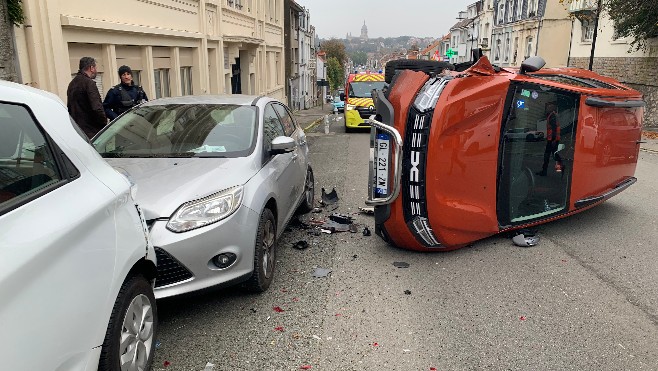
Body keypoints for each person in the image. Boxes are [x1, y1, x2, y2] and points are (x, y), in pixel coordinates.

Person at [67, 57, 107, 138]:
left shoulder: (72, 84)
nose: (96, 70)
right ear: (91, 68)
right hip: (92, 132)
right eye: (95, 67)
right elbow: (97, 108)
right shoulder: (89, 84)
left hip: (77, 131)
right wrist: (104, 123)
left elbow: (70, 108)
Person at [537, 101, 563, 176]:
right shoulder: (553, 115)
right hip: (553, 139)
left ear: (552, 108)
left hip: (552, 139)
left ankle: (545, 171)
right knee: (554, 154)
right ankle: (559, 168)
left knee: (548, 155)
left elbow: (554, 128)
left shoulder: (552, 116)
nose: (547, 108)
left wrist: (553, 140)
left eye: (549, 107)